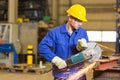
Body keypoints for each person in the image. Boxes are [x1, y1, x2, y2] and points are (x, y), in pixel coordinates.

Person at [38, 4, 88, 80]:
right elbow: (42, 47)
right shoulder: (55, 33)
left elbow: (87, 53)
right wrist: (55, 59)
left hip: (79, 75)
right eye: (78, 20)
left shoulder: (82, 33)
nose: (80, 24)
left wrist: (83, 49)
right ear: (70, 17)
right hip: (61, 76)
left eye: (81, 21)